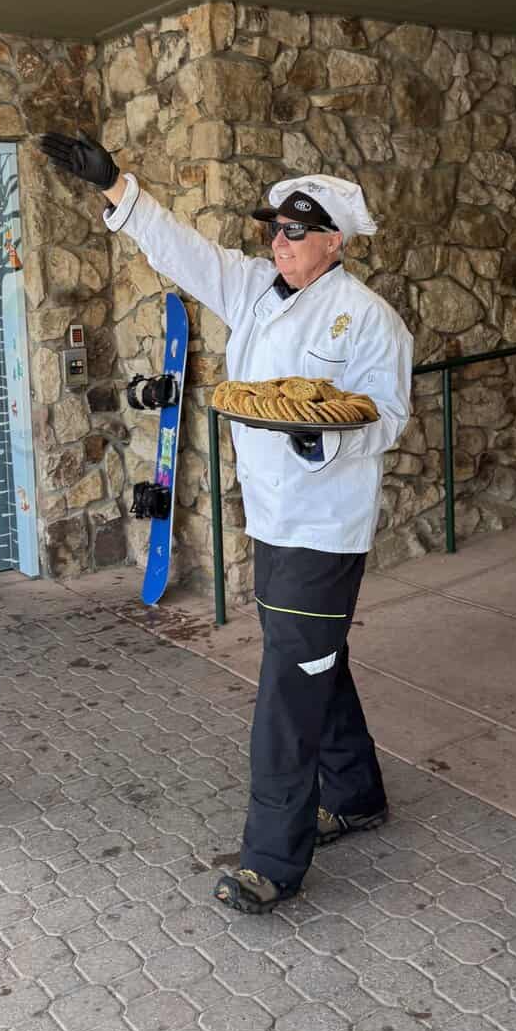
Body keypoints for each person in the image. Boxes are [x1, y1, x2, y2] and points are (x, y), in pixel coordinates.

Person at [42, 134, 413, 915]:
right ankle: (356, 792)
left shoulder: (368, 318)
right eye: (273, 228)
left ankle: (272, 858)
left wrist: (317, 428)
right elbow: (185, 251)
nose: (277, 241)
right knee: (309, 656)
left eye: (295, 230)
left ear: (335, 241)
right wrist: (117, 189)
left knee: (286, 686)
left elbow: (389, 418)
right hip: (271, 517)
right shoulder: (253, 288)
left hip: (324, 524)